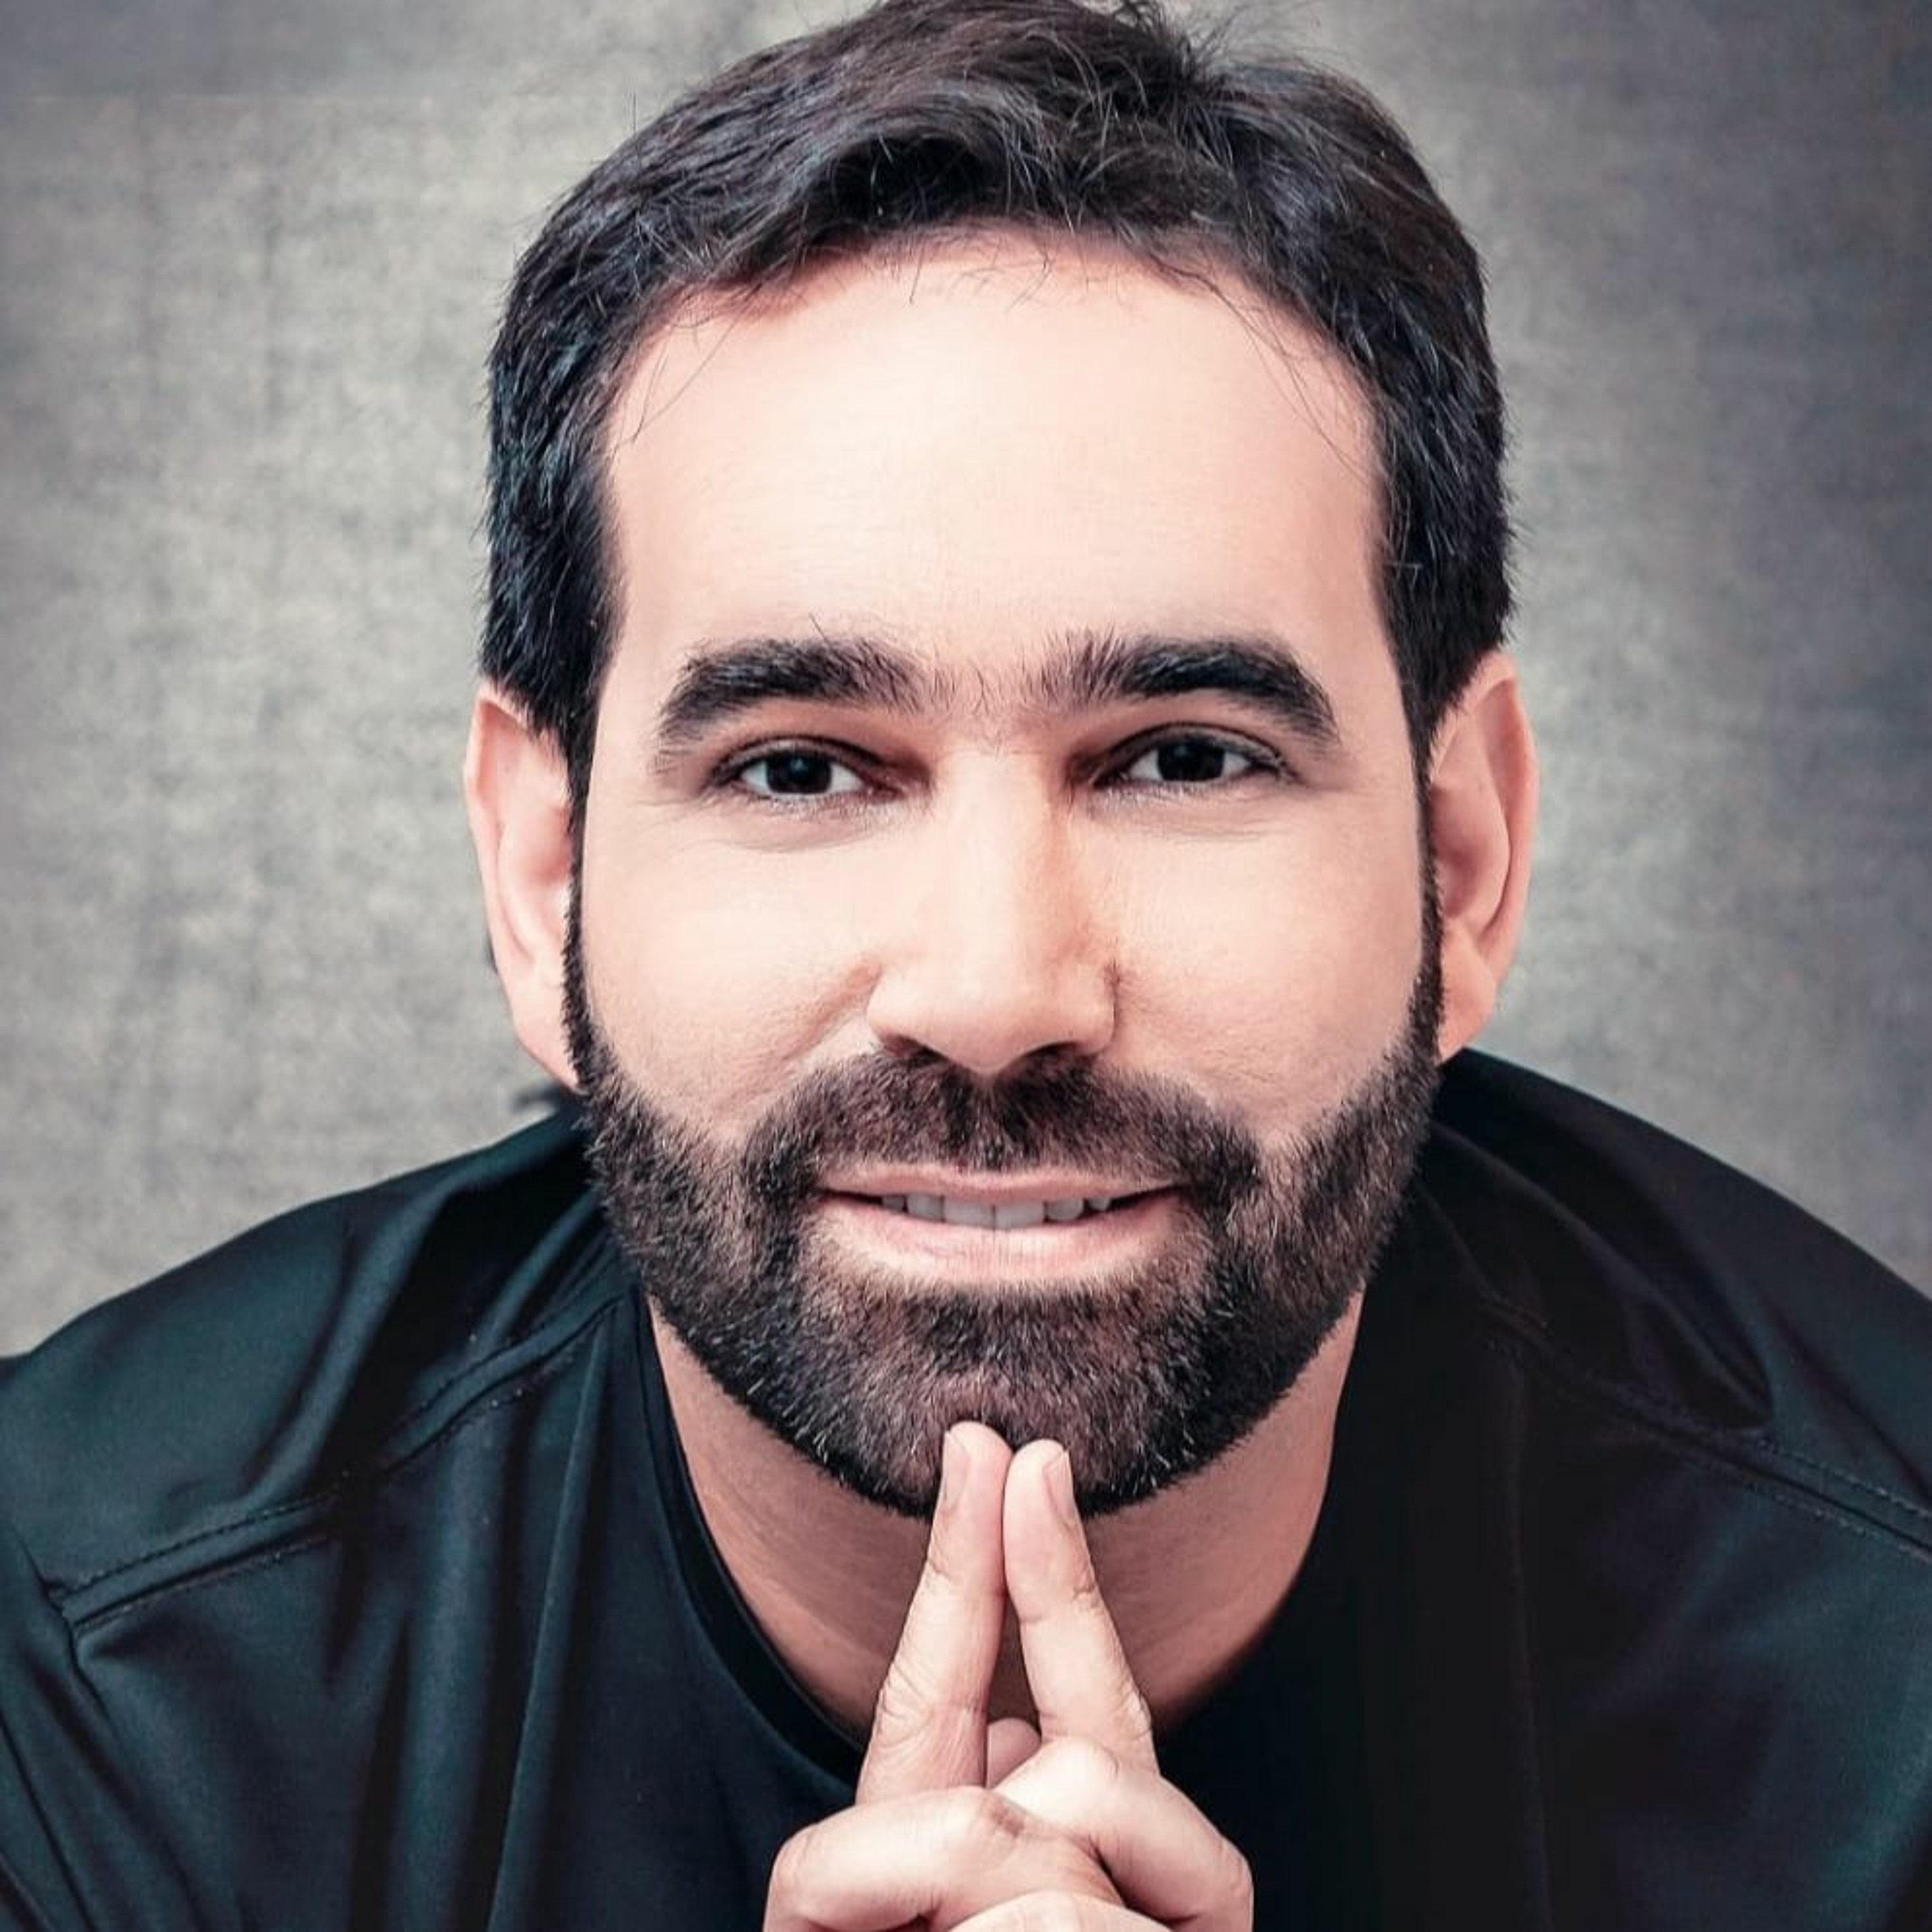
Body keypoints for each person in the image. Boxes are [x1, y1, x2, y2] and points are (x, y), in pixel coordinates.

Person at [1, 0, 1927, 1926]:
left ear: (1461, 861)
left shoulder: (1892, 1696)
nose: (998, 991)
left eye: (1184, 758)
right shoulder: (86, 1671)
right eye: (800, 768)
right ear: (544, 877)